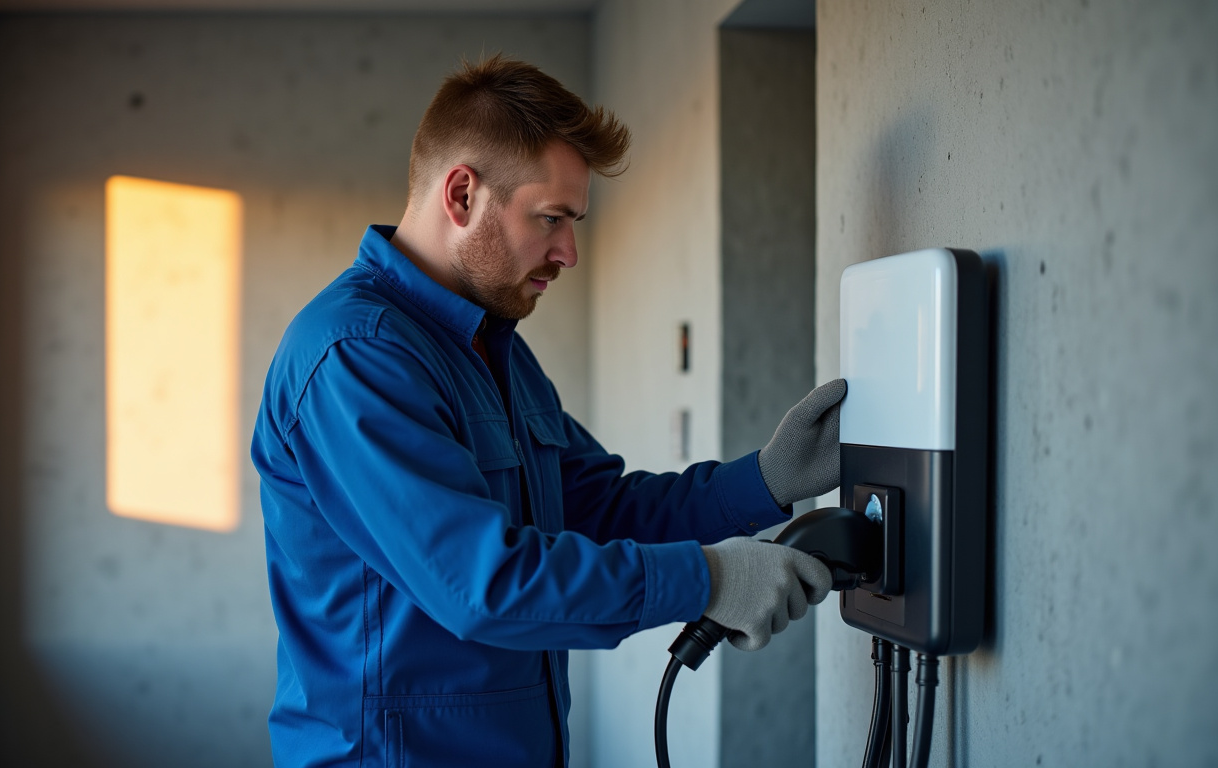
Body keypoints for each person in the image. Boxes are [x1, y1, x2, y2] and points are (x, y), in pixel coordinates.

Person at [251, 54, 846, 768]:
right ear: (462, 193)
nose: (568, 252)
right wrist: (710, 579)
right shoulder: (355, 356)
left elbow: (598, 509)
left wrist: (766, 480)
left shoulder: (494, 345)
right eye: (551, 218)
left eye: (575, 221)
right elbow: (482, 584)